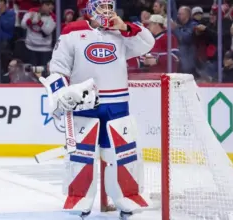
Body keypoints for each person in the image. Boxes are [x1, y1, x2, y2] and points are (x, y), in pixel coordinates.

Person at [39, 0, 155, 218]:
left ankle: (126, 198)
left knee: (123, 153)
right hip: (84, 105)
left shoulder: (121, 32)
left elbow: (147, 43)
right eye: (102, 6)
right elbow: (57, 68)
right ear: (89, 9)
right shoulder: (73, 31)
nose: (107, 11)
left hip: (118, 104)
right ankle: (80, 199)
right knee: (82, 155)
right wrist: (61, 93)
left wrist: (124, 27)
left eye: (110, 6)